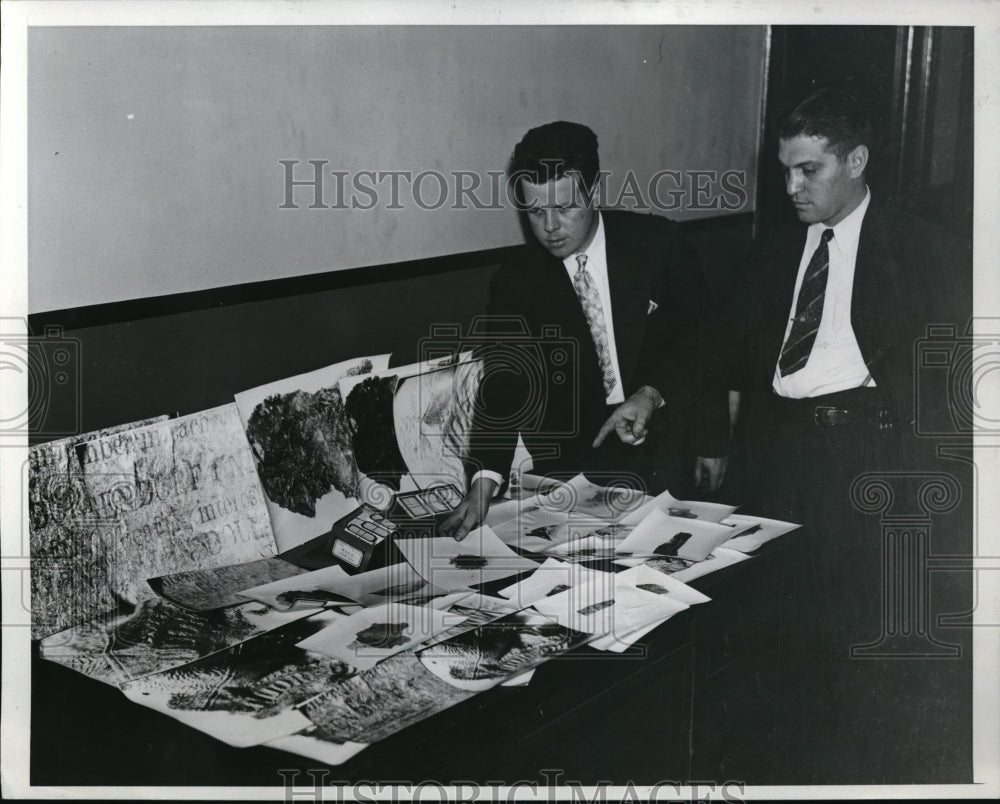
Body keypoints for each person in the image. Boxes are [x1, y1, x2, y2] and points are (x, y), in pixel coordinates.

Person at [709, 88, 972, 781]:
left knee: (857, 629)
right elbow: (732, 351)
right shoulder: (775, 248)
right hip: (779, 454)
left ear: (856, 160)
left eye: (809, 170)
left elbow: (949, 384)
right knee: (772, 627)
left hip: (866, 455)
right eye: (786, 170)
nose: (791, 186)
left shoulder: (923, 249)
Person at [441, 121, 730, 540]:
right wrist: (484, 480)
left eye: (565, 207)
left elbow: (704, 338)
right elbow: (506, 380)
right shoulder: (516, 280)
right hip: (576, 469)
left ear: (594, 192)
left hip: (668, 444)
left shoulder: (658, 243)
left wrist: (710, 437)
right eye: (535, 211)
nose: (551, 226)